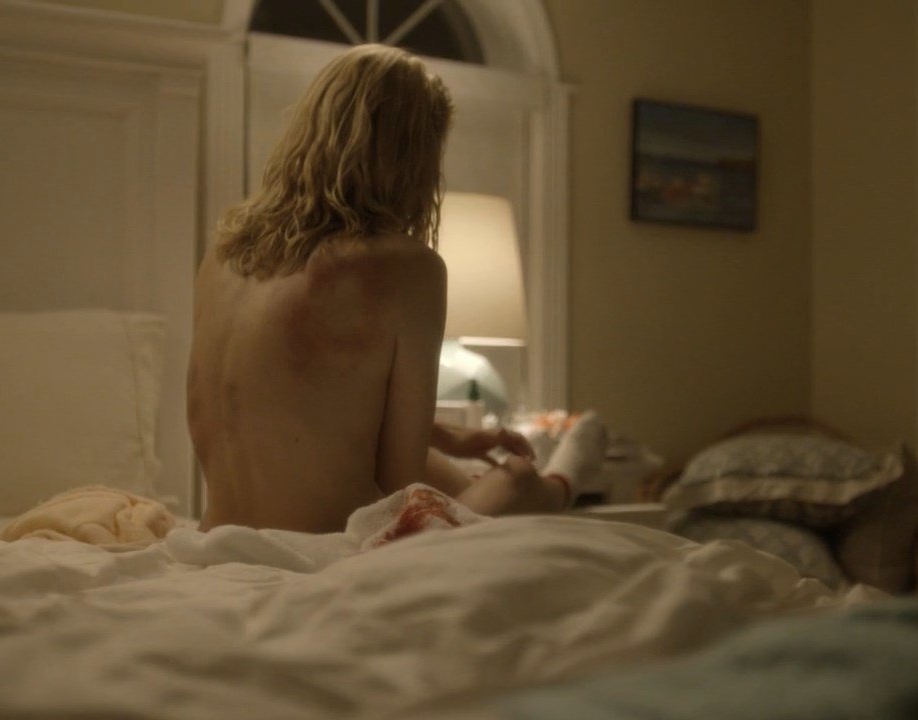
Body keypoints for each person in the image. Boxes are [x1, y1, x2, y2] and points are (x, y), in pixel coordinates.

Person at [187, 44, 606, 533]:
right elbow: (400, 487)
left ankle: (528, 484)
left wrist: (450, 437)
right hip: (324, 551)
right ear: (413, 160)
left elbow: (295, 409)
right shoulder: (407, 267)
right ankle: (561, 483)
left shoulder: (224, 254)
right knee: (514, 479)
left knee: (460, 478)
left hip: (218, 535)